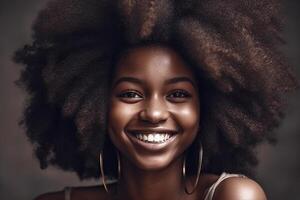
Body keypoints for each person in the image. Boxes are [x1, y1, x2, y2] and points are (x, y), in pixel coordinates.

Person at [14, 0, 298, 200]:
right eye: (130, 94)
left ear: (207, 108)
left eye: (177, 94)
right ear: (94, 106)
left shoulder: (233, 196)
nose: (153, 113)